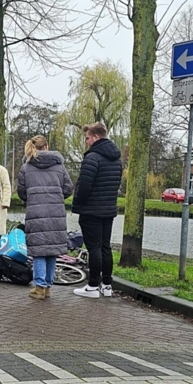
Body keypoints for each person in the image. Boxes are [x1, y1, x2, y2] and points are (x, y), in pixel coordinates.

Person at [17, 136, 74, 300]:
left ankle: (39, 287)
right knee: (52, 251)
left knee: (39, 251)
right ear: (47, 147)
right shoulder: (59, 166)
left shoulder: (26, 167)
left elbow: (21, 191)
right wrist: (56, 197)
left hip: (35, 212)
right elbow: (68, 188)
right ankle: (48, 287)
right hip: (56, 211)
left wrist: (33, 198)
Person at [71, 121, 122, 299]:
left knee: (94, 248)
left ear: (95, 137)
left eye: (87, 138)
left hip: (91, 210)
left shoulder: (92, 157)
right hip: (108, 209)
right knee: (105, 247)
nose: (86, 142)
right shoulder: (117, 159)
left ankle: (92, 286)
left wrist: (77, 203)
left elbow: (84, 186)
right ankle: (107, 286)